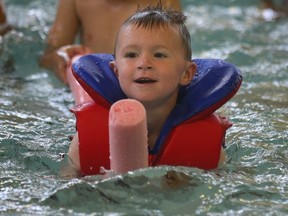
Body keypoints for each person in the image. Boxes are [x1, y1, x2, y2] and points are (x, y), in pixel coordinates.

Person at [65, 4, 227, 177]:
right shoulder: (86, 137)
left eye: (159, 55)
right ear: (116, 71)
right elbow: (65, 187)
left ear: (186, 74)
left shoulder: (204, 139)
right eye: (131, 55)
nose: (144, 63)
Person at [40, 0, 182, 84]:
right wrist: (60, 58)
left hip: (142, 85)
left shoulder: (163, 2)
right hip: (92, 84)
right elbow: (48, 59)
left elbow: (178, 61)